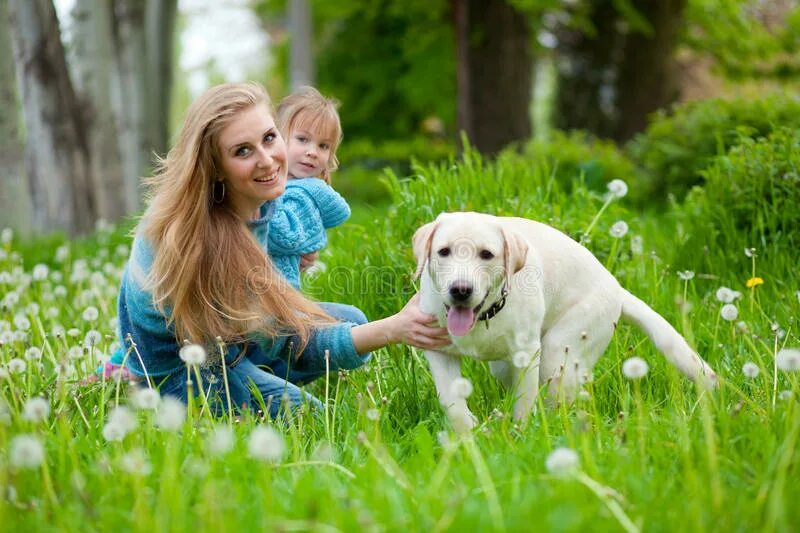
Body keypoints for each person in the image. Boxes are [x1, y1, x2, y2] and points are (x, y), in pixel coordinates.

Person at [112, 82, 448, 417]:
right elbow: (293, 342)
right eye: (242, 151)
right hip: (185, 368)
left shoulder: (253, 200)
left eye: (269, 138)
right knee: (309, 418)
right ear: (215, 167)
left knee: (351, 321)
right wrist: (394, 328)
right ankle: (132, 383)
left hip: (229, 338)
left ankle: (252, 379)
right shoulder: (202, 241)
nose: (267, 160)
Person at [268, 86, 348, 289]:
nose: (313, 152)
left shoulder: (304, 194)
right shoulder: (277, 185)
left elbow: (282, 235)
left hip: (274, 294)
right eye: (303, 139)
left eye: (323, 146)